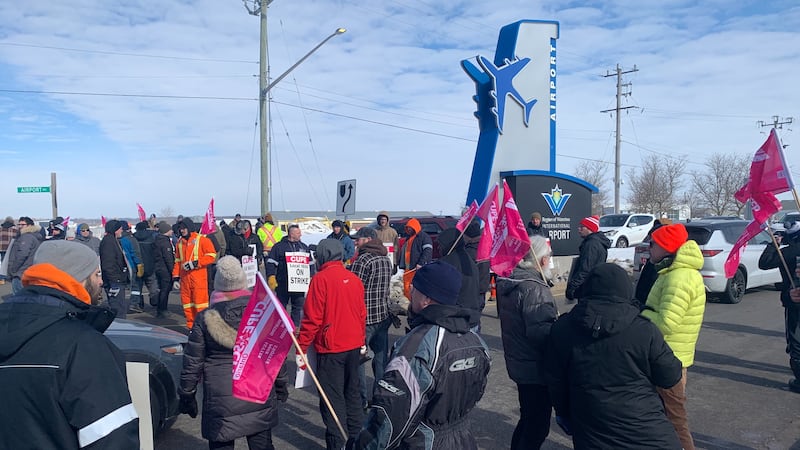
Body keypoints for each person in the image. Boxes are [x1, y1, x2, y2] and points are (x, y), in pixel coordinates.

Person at [0, 240, 140, 449]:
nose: (101, 282)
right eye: (97, 274)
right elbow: (112, 438)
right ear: (80, 278)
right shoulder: (83, 345)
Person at [350, 261, 491, 450]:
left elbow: (390, 418)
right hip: (463, 440)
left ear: (426, 298)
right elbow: (477, 392)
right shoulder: (476, 341)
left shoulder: (417, 346)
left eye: (413, 289)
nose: (410, 294)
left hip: (423, 442)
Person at [545, 263, 682, 449]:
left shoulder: (562, 329)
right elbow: (670, 376)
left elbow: (556, 382)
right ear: (626, 290)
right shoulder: (644, 330)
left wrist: (564, 413)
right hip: (649, 434)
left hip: (591, 432)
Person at [179, 256, 288, 450]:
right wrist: (280, 384)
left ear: (218, 283)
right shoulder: (261, 312)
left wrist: (187, 393)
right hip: (257, 388)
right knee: (261, 444)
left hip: (221, 394)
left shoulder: (205, 318)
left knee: (222, 442)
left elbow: (193, 361)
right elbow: (274, 353)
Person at [295, 239, 366, 450]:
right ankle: (356, 440)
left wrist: (302, 346)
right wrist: (362, 340)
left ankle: (337, 444)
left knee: (332, 400)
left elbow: (312, 319)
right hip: (354, 345)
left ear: (322, 256)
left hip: (331, 348)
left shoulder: (320, 280)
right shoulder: (354, 279)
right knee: (352, 394)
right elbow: (362, 314)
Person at [640, 223, 705, 450]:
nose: (649, 248)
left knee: (675, 419)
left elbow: (666, 322)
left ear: (666, 247)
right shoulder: (674, 272)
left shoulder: (679, 277)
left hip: (669, 359)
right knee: (662, 417)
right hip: (667, 355)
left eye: (653, 244)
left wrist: (641, 315)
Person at [497, 235, 558, 449]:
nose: (549, 260)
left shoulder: (513, 280)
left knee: (528, 419)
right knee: (537, 426)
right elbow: (541, 333)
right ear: (541, 260)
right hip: (535, 367)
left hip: (520, 362)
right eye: (548, 256)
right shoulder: (533, 288)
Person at [349, 226, 393, 408]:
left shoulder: (363, 260)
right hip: (382, 315)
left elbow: (353, 289)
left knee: (359, 359)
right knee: (381, 359)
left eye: (358, 239)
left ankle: (360, 399)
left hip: (364, 319)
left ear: (367, 239)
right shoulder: (385, 259)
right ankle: (380, 395)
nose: (355, 242)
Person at [760, 220, 800, 393]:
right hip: (792, 300)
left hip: (794, 304)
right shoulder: (788, 253)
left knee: (796, 342)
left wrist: (773, 244)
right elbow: (765, 263)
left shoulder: (789, 252)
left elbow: (765, 262)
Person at [172, 217, 218, 329]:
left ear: (189, 228)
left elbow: (212, 256)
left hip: (198, 280)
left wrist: (195, 263)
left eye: (184, 228)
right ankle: (191, 329)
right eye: (180, 228)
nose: (182, 230)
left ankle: (203, 329)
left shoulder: (202, 240)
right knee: (187, 306)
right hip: (185, 280)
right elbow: (178, 261)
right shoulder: (179, 243)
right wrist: (175, 278)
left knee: (200, 305)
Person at [266, 224, 312, 327]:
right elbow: (271, 263)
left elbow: (311, 264)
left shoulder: (304, 247)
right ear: (291, 234)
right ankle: (279, 327)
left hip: (299, 285)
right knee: (281, 307)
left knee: (297, 307)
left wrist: (311, 276)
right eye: (298, 233)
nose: (301, 234)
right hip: (283, 283)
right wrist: (271, 276)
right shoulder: (279, 247)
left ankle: (294, 328)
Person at [438, 227, 482, 330]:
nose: (438, 248)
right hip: (472, 317)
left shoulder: (447, 263)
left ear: (447, 244)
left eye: (440, 245)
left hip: (456, 320)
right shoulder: (468, 259)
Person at [565, 215, 610, 301]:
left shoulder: (591, 244)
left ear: (590, 229)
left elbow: (585, 269)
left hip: (588, 287)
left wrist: (572, 287)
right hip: (595, 285)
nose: (579, 229)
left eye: (582, 227)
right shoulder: (598, 242)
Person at [100, 219, 131, 318]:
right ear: (115, 230)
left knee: (120, 306)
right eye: (120, 229)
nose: (122, 231)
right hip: (114, 281)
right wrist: (115, 280)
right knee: (118, 308)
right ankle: (119, 328)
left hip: (117, 279)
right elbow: (108, 264)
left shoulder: (114, 240)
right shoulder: (108, 242)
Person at [7, 216, 45, 294]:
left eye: (23, 224)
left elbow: (22, 254)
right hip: (27, 270)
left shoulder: (27, 237)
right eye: (19, 224)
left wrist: (13, 269)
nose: (20, 226)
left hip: (21, 272)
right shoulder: (32, 236)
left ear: (30, 225)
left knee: (18, 296)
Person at [398, 217, 433, 299]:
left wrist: (421, 263)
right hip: (408, 269)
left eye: (410, 228)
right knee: (407, 288)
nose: (408, 229)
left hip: (417, 269)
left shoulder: (424, 237)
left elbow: (427, 251)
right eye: (407, 228)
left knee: (415, 289)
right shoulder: (409, 238)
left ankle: (415, 306)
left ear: (415, 227)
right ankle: (409, 304)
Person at [133, 221, 159, 311]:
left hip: (137, 266)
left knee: (138, 286)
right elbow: (156, 251)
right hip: (150, 265)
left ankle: (139, 304)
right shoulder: (153, 236)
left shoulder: (133, 238)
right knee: (152, 284)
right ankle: (155, 301)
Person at [153, 221, 176, 318]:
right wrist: (173, 271)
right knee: (165, 290)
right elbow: (168, 258)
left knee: (162, 289)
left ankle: (160, 308)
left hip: (158, 268)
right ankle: (162, 310)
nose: (172, 231)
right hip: (164, 270)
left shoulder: (157, 240)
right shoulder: (165, 242)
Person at [0, 216, 18, 285]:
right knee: (11, 262)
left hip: (1, 248)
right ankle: (11, 276)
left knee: (3, 262)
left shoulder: (1, 229)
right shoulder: (15, 229)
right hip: (11, 248)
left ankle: (2, 278)